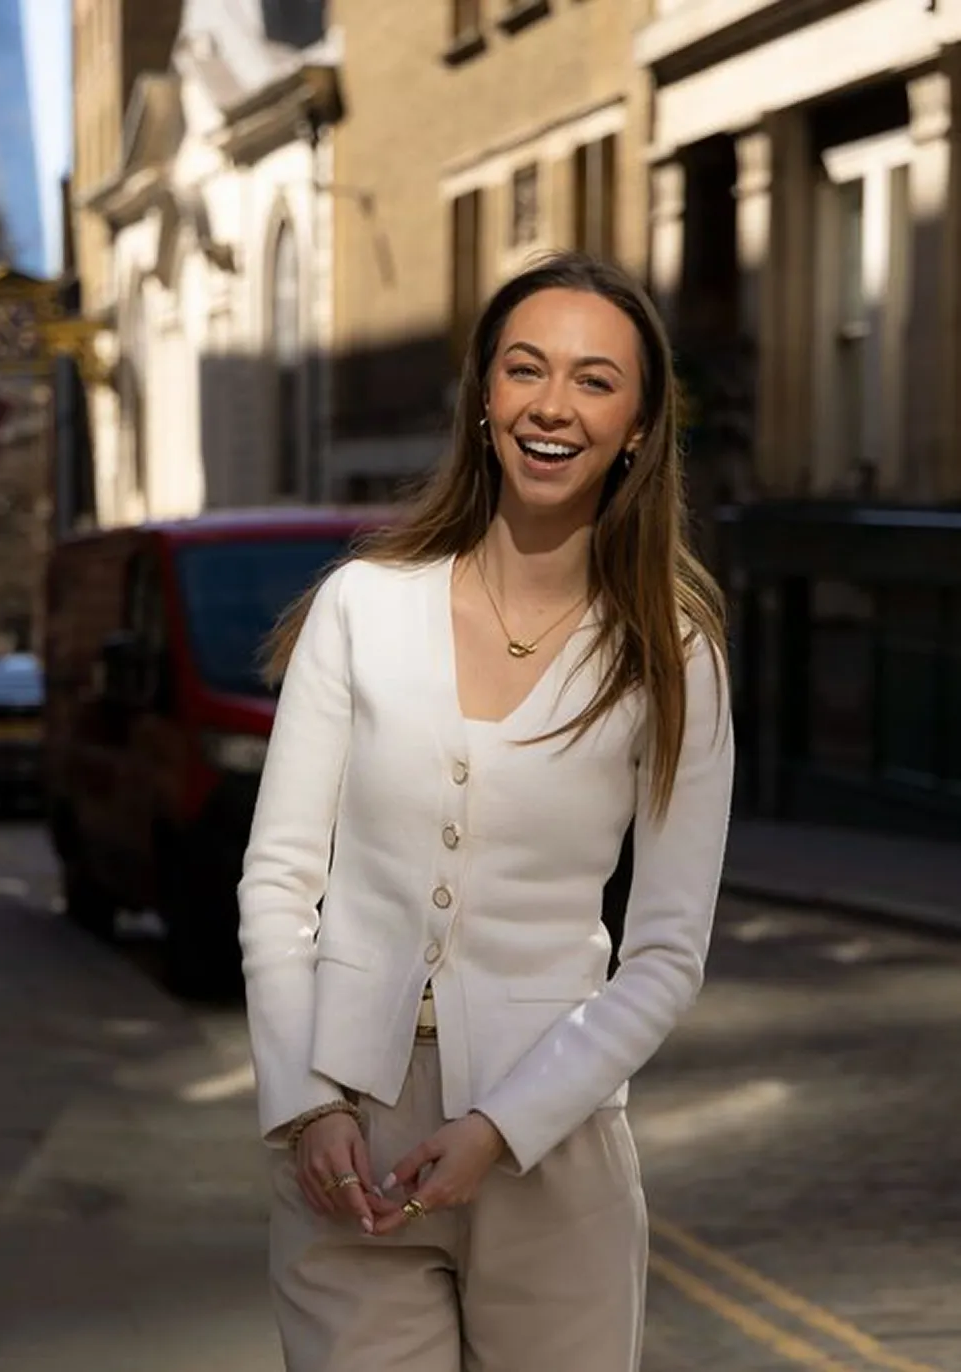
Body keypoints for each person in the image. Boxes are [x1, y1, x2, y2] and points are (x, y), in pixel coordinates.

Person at [238, 250, 735, 1372]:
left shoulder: (673, 655)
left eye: (594, 380)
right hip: (346, 1137)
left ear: (639, 429)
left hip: (550, 1147)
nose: (552, 404)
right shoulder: (361, 606)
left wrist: (504, 1126)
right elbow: (277, 882)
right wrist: (304, 1105)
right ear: (483, 401)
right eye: (526, 369)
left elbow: (664, 952)